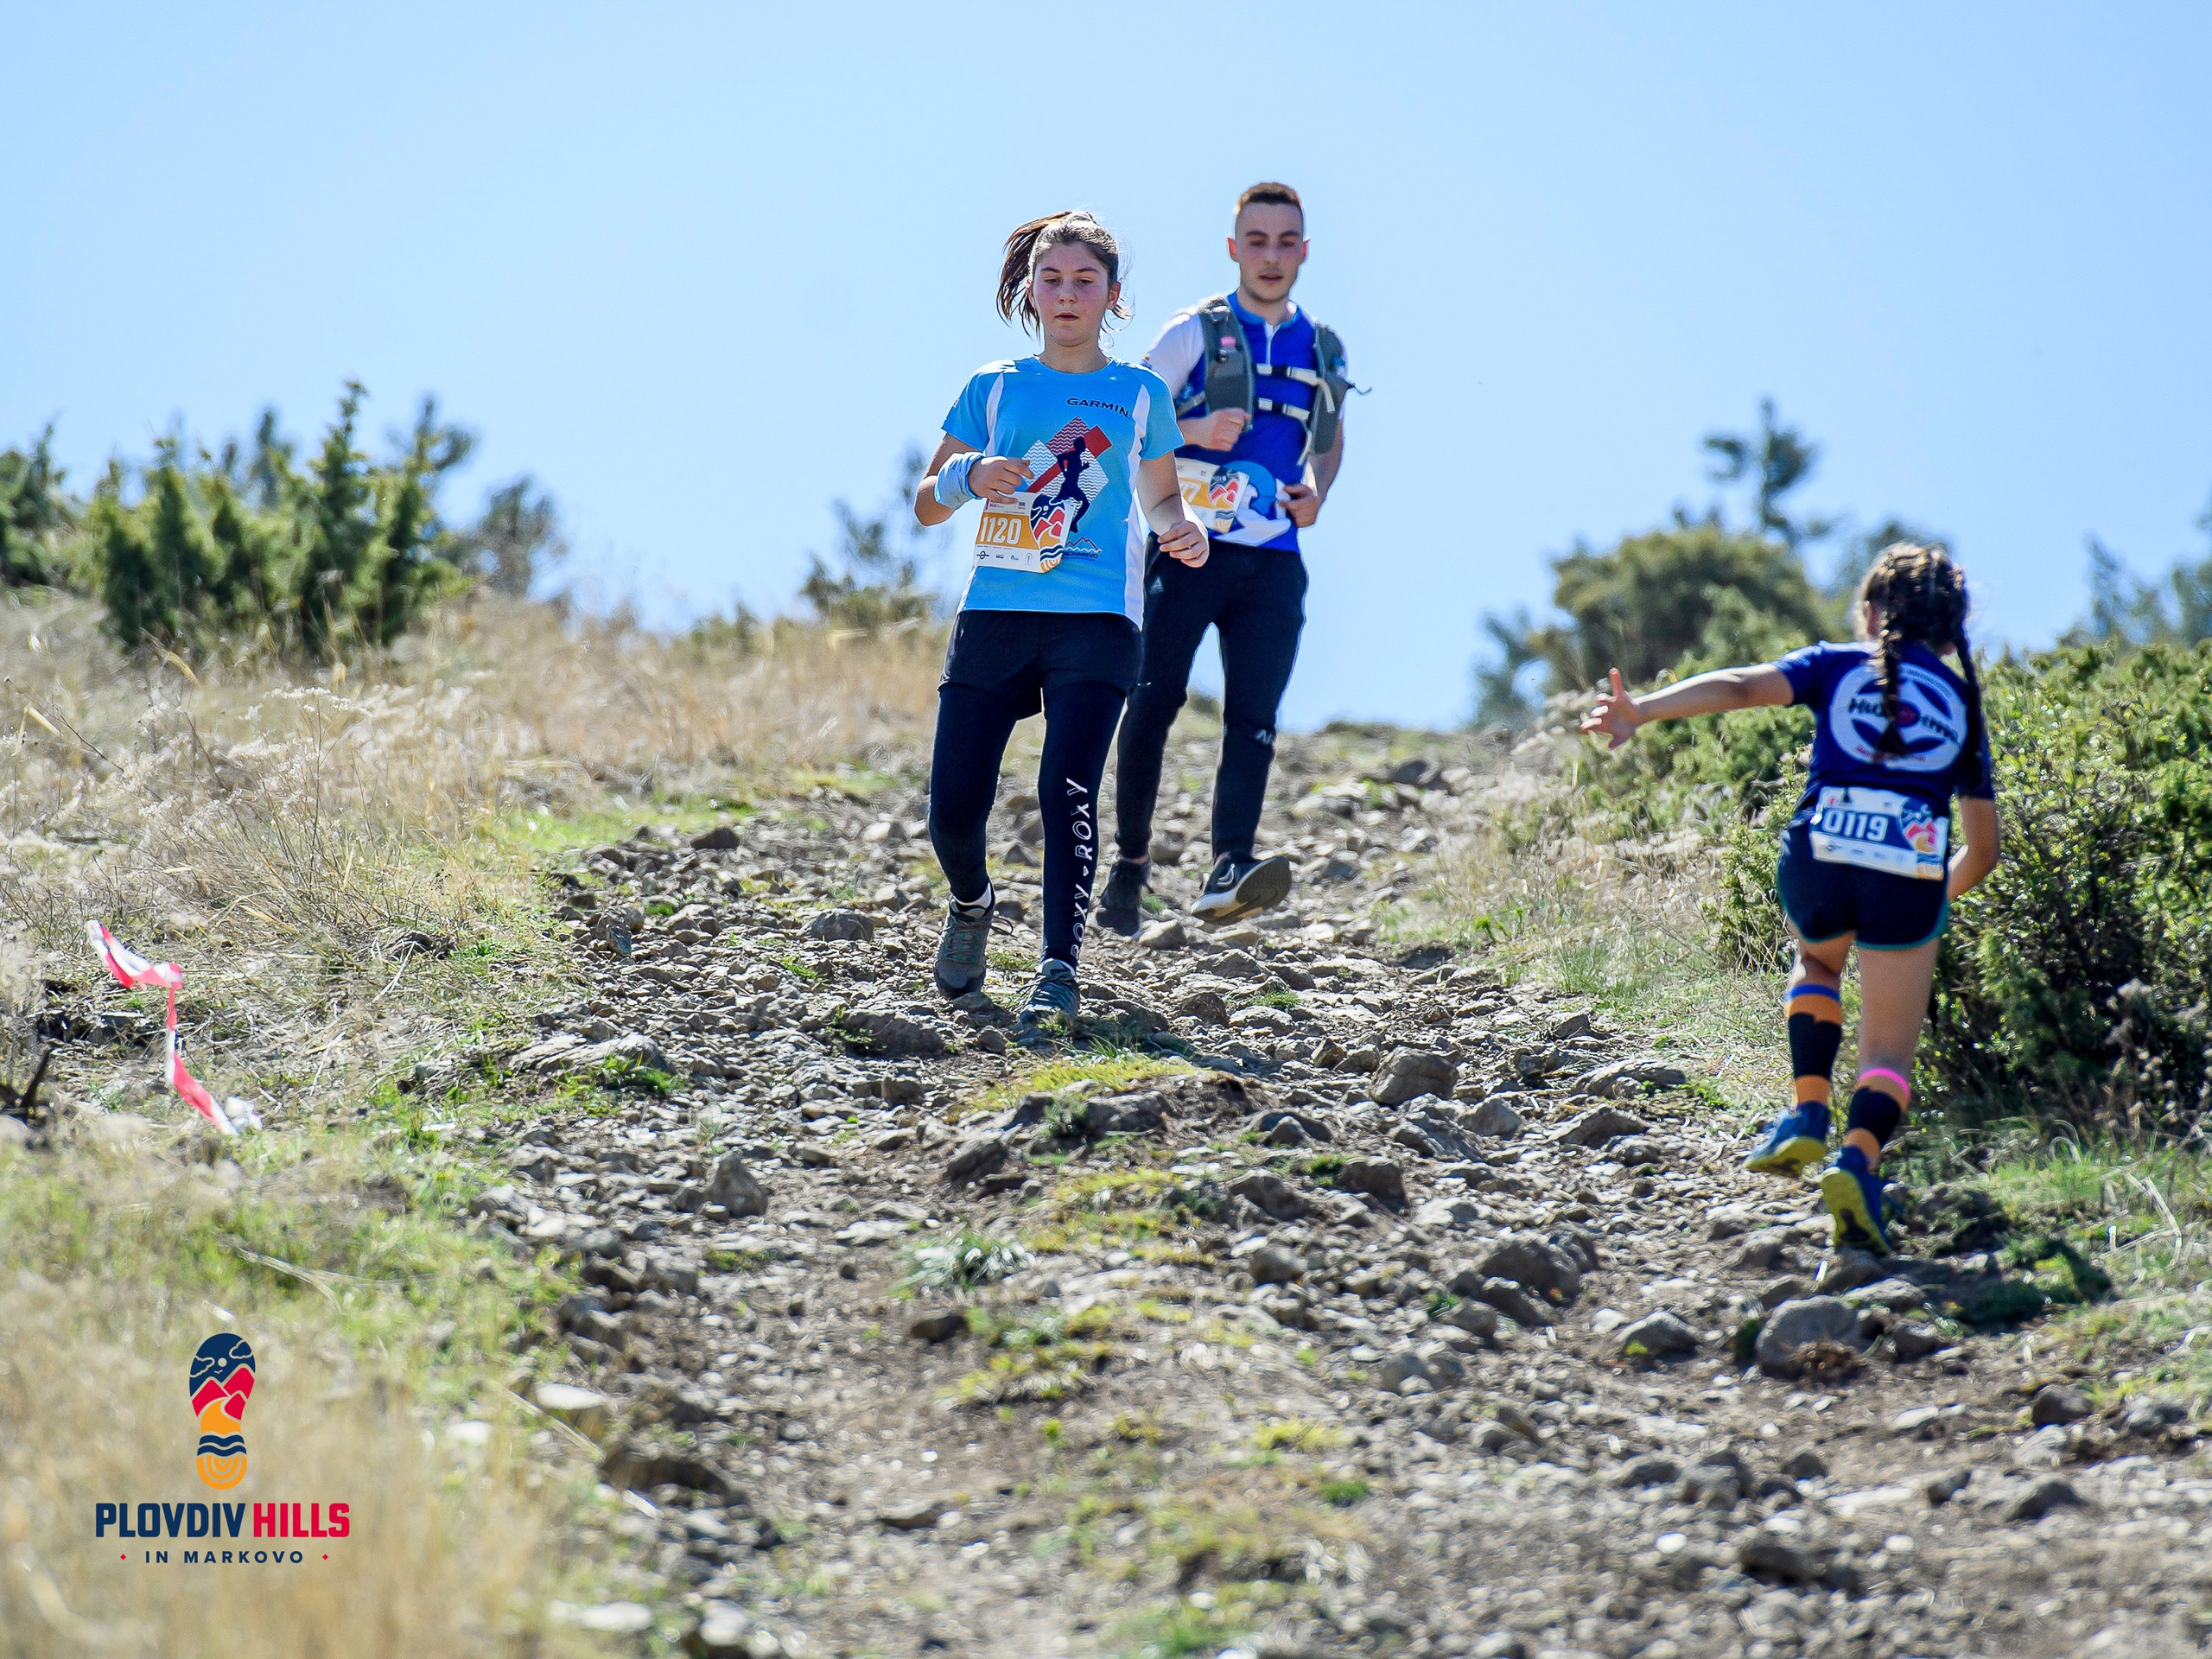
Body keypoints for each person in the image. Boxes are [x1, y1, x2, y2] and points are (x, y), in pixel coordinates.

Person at [1578, 543, 2001, 1254]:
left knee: (1818, 964)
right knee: (1889, 1055)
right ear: (1952, 629)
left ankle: (1807, 1112)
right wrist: (1926, 903)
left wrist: (1640, 710)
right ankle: (1857, 1162)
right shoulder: (1962, 702)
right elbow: (1984, 851)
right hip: (1910, 871)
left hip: (1820, 851)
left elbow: (1742, 687)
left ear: (1872, 613)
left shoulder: (1838, 663)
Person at [913, 211, 1209, 1039]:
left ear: (1114, 297)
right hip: (997, 611)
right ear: (1030, 290)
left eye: (1086, 282)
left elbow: (1158, 498)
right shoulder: (995, 384)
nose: (1068, 294)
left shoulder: (1140, 394)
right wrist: (972, 473)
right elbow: (926, 503)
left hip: (1097, 618)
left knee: (1066, 785)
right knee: (952, 812)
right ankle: (972, 904)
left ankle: (1058, 967)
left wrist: (1180, 529)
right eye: (1054, 280)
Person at [1095, 181, 1351, 932]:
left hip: (1273, 557)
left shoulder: (1324, 348)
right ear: (1234, 247)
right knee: (1155, 701)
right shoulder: (1193, 333)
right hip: (1187, 547)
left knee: (1255, 718)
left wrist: (1317, 494)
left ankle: (1230, 865)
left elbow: (1330, 441)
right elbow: (1126, 413)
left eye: (1286, 242)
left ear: (1304, 252)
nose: (1271, 256)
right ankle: (1130, 865)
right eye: (1258, 240)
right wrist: (1196, 427)